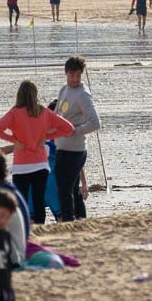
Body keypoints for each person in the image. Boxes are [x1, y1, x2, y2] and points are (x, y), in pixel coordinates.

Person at [0, 80, 74, 226]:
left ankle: (25, 231)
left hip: (21, 165)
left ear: (19, 95)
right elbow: (68, 128)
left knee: (22, 201)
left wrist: (14, 140)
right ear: (35, 94)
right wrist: (47, 137)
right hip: (41, 164)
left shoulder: (14, 112)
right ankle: (40, 229)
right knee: (38, 200)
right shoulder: (43, 111)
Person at [53, 56, 99, 222]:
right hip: (61, 147)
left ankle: (68, 222)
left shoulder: (83, 94)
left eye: (78, 75)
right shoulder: (64, 89)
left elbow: (95, 123)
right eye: (72, 75)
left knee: (64, 190)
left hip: (76, 150)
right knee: (71, 189)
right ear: (66, 73)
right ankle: (81, 220)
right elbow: (56, 116)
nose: (75, 79)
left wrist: (75, 130)